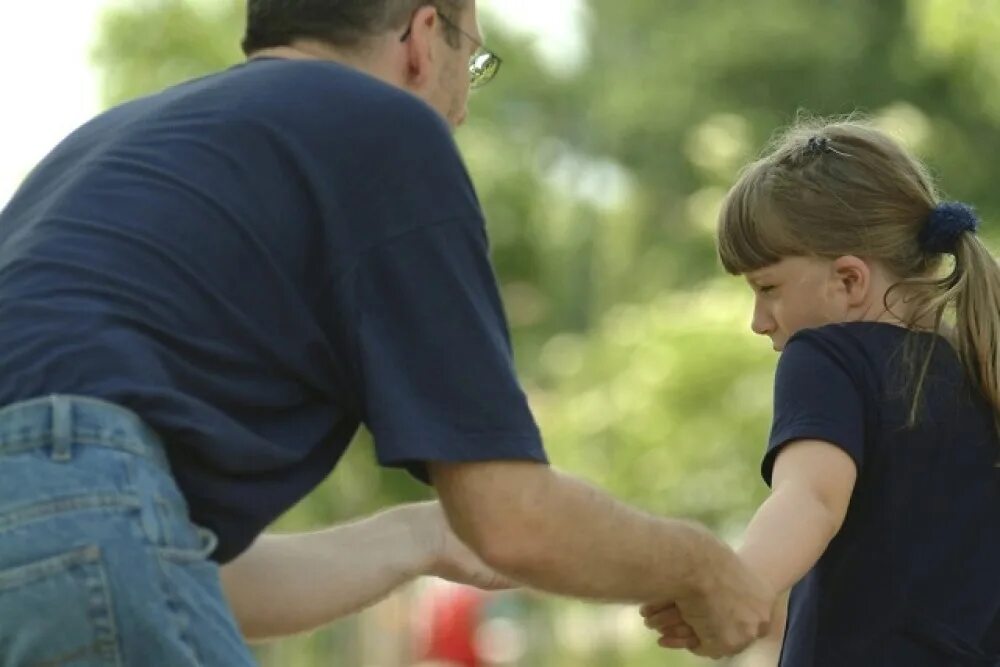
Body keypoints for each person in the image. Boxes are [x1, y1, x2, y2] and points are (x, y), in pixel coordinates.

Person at [0, 1, 772, 663]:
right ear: (421, 34)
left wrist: (423, 536)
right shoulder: (381, 123)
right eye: (472, 62)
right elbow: (513, 516)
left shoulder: (105, 150)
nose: (461, 110)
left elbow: (174, 568)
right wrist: (702, 565)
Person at [643, 120, 1000, 665]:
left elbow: (811, 497)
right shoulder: (980, 364)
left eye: (767, 289)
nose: (759, 321)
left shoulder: (828, 355)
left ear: (849, 280)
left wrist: (738, 586)